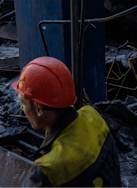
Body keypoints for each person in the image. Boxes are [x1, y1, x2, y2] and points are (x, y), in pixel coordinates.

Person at [12, 56, 121, 188]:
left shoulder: (46, 171)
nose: (21, 108)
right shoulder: (93, 117)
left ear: (39, 108)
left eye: (23, 103)